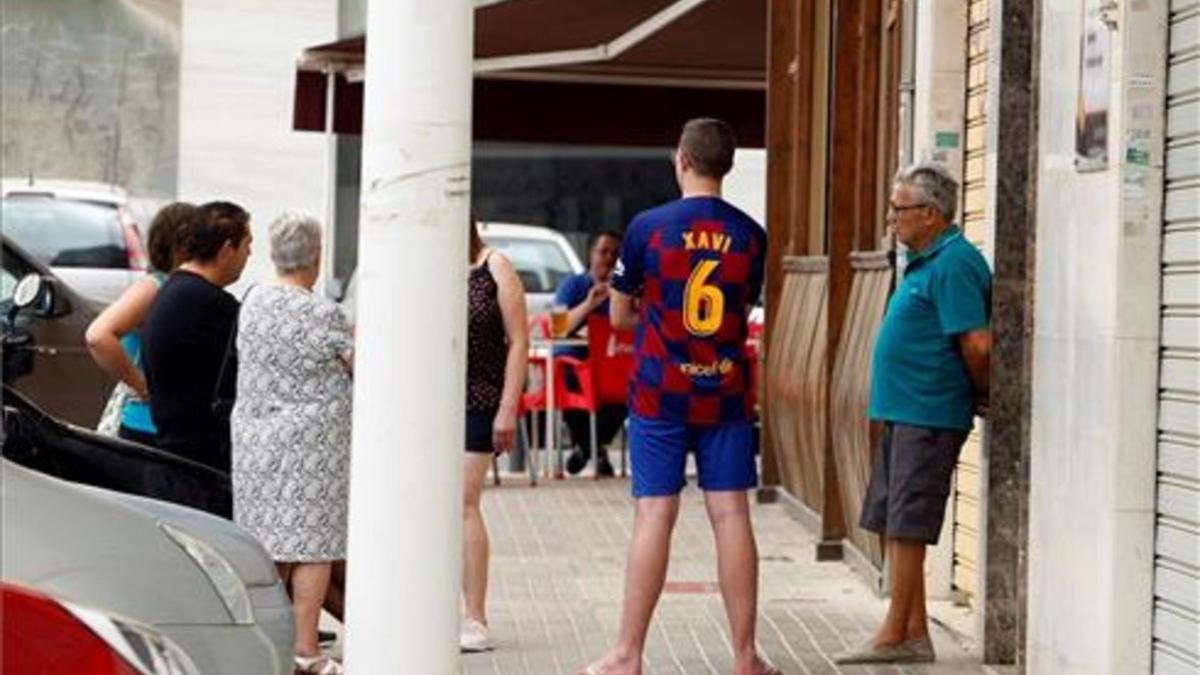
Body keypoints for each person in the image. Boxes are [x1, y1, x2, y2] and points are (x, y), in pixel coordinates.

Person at [580, 118, 778, 675]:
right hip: (726, 392)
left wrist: (656, 316)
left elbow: (618, 315)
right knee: (731, 513)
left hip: (659, 393)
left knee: (655, 515)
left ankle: (628, 653)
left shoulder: (648, 228)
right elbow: (740, 310)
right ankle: (745, 655)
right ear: (728, 166)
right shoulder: (750, 234)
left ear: (682, 161)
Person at [835, 162, 992, 665]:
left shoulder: (956, 263)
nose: (890, 220)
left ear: (930, 213)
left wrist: (981, 390)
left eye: (898, 210)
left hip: (929, 411)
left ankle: (894, 633)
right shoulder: (927, 260)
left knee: (907, 523)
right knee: (889, 516)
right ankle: (914, 628)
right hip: (905, 411)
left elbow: (978, 343)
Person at [230, 213, 351, 675]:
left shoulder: (253, 301)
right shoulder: (322, 312)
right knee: (314, 546)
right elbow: (359, 365)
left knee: (269, 545)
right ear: (316, 257)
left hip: (256, 440)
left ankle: (266, 646)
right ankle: (304, 648)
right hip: (312, 447)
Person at [141, 201, 252, 514]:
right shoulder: (208, 303)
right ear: (227, 248)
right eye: (247, 245)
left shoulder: (174, 291)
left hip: (175, 459)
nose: (249, 255)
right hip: (200, 470)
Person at [461, 215, 528, 652]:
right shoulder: (424, 265)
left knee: (463, 503)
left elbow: (519, 341)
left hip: (480, 400)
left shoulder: (493, 266)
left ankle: (475, 615)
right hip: (427, 405)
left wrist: (508, 407)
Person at [86, 202, 199, 446]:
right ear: (182, 245)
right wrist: (140, 384)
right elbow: (98, 336)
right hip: (145, 426)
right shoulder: (155, 286)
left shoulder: (180, 287)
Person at [553, 229, 627, 476]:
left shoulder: (626, 290)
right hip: (576, 362)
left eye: (615, 254)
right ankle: (594, 449)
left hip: (614, 365)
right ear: (591, 255)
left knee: (630, 384)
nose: (608, 258)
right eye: (603, 251)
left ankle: (587, 449)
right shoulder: (573, 284)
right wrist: (589, 304)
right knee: (570, 379)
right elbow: (558, 327)